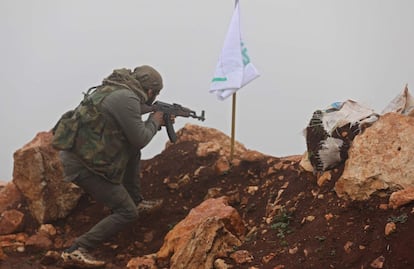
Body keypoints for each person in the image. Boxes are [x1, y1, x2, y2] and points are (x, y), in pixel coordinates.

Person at [54, 65, 166, 267]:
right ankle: (76, 249)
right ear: (150, 91)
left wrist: (154, 114)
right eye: (155, 93)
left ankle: (136, 200)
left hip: (83, 156)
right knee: (127, 212)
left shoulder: (115, 89)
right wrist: (155, 121)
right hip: (84, 167)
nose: (153, 97)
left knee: (132, 152)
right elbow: (140, 138)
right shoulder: (127, 99)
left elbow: (133, 134)